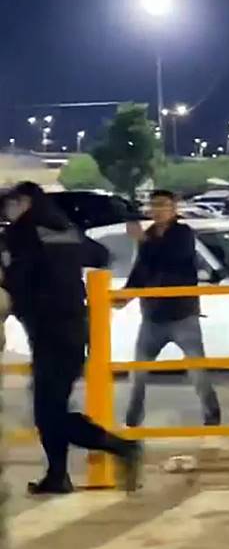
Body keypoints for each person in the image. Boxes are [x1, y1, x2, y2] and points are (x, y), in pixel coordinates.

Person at [2, 182, 142, 494]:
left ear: (25, 202)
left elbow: (16, 282)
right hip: (75, 329)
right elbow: (100, 255)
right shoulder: (63, 228)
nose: (9, 210)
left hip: (48, 330)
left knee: (48, 413)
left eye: (12, 203)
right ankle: (58, 475)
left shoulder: (21, 234)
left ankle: (120, 446)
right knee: (51, 407)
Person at [121, 190, 222, 429]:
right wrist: (123, 296)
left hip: (182, 315)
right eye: (153, 205)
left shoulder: (183, 234)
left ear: (174, 208)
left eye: (162, 205)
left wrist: (143, 242)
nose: (157, 210)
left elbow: (172, 260)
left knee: (197, 371)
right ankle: (132, 421)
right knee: (138, 372)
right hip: (152, 317)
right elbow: (141, 271)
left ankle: (212, 416)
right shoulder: (148, 236)